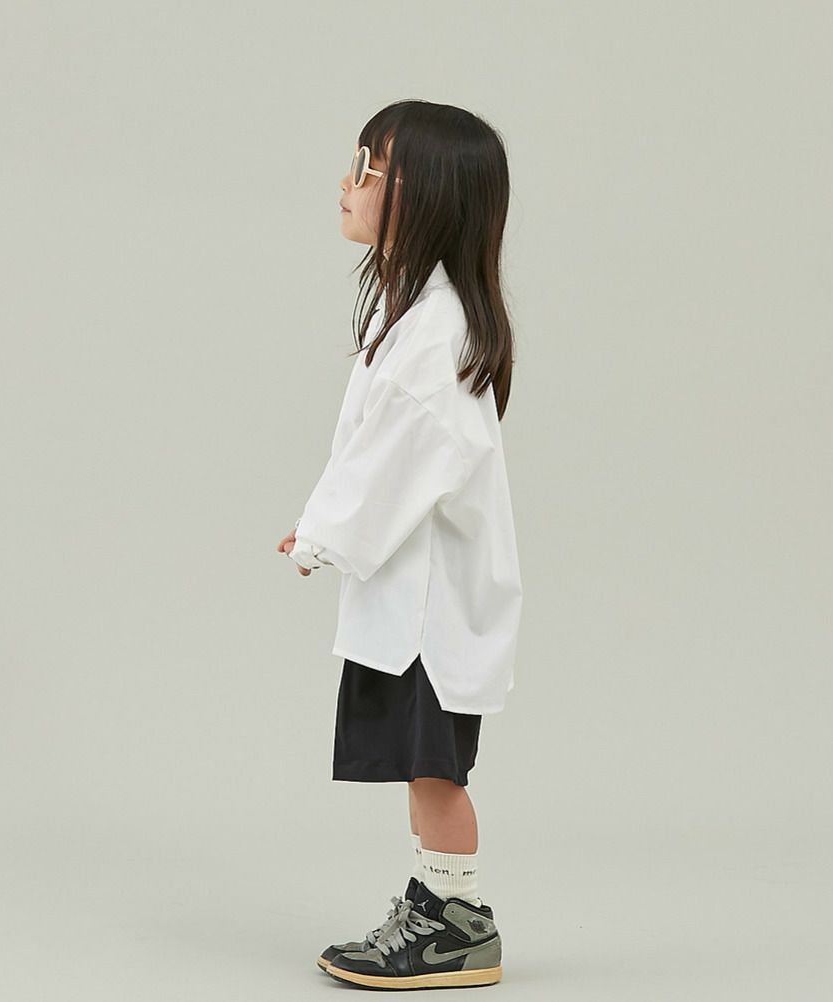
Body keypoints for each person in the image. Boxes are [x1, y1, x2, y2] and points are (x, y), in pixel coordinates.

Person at [277, 99, 522, 990]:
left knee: (435, 770)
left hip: (430, 609)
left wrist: (323, 533)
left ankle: (458, 921)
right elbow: (379, 452)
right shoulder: (417, 316)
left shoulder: (434, 333)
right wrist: (325, 522)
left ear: (421, 195)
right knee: (421, 763)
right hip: (411, 595)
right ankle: (434, 908)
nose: (345, 184)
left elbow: (398, 461)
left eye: (366, 168)